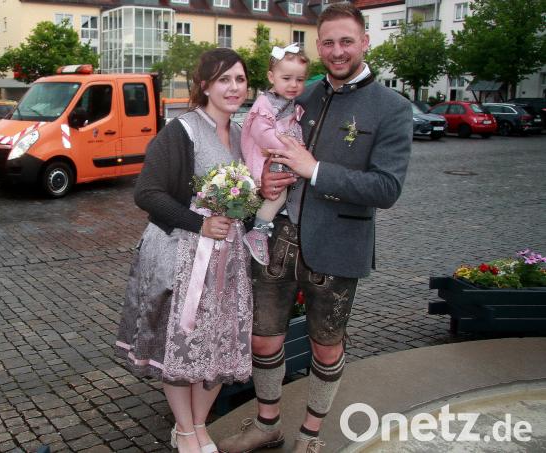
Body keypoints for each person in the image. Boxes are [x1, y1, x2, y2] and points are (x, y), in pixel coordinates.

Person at [218, 3, 412, 453]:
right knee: (263, 339)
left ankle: (310, 434)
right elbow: (264, 149)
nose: (337, 51)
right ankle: (268, 425)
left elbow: (386, 187)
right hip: (277, 239)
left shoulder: (392, 108)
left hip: (339, 245)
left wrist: (315, 169)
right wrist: (264, 179)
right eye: (328, 42)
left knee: (326, 348)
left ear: (365, 42)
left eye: (347, 41)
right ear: (318, 45)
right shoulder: (299, 96)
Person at [115, 48, 253, 453]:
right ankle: (184, 429)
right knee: (183, 345)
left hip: (228, 261)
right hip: (183, 257)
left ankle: (198, 424)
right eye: (223, 79)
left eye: (240, 79)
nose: (232, 87)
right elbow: (147, 192)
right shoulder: (183, 130)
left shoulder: (245, 133)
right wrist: (200, 223)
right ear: (204, 85)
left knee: (216, 345)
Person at [240, 43, 308, 266]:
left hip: (280, 153)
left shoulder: (288, 101)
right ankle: (258, 232)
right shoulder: (265, 102)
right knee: (277, 190)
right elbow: (262, 132)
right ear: (271, 76)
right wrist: (289, 147)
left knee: (285, 186)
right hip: (267, 156)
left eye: (299, 79)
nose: (293, 85)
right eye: (287, 78)